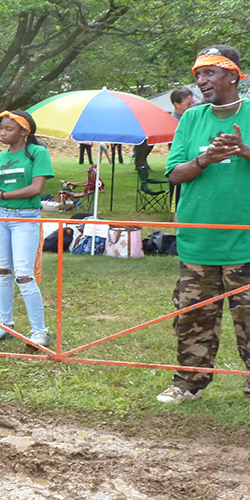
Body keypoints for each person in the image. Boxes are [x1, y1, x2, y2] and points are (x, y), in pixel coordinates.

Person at [157, 44, 250, 404]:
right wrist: (205, 158)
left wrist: (243, 150)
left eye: (209, 72)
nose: (201, 80)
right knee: (193, 315)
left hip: (245, 240)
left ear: (233, 74)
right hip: (198, 239)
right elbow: (175, 174)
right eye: (197, 74)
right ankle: (189, 382)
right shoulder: (191, 119)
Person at [0, 110, 54, 347]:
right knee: (1, 271)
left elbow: (37, 188)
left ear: (24, 132)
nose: (3, 133)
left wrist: (2, 194)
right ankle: (5, 325)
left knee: (23, 274)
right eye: (2, 128)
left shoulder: (37, 153)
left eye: (9, 129)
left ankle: (40, 331)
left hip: (26, 217)